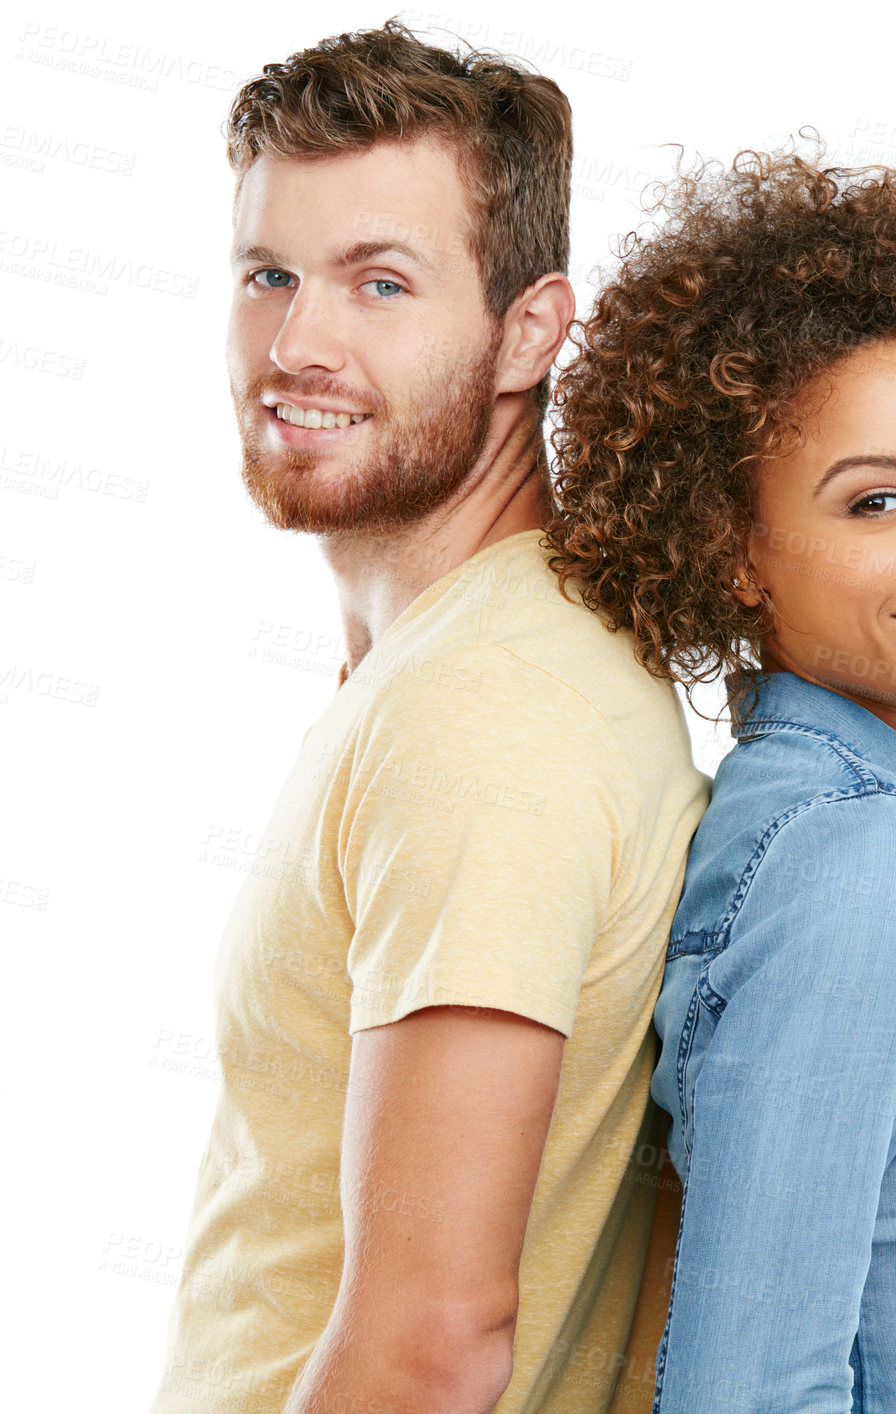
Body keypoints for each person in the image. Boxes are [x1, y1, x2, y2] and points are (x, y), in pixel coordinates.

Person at [148, 20, 709, 1414]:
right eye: (268, 273)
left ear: (529, 329)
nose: (297, 341)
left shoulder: (486, 714)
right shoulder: (458, 664)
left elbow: (431, 1343)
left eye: (379, 282)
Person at [544, 145, 896, 1412]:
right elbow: (744, 1393)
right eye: (874, 504)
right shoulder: (863, 861)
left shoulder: (836, 826)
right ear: (732, 546)